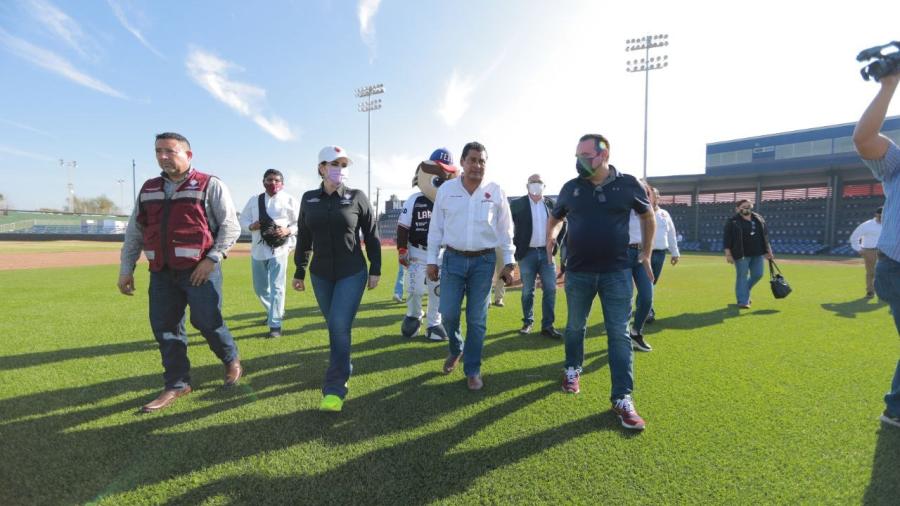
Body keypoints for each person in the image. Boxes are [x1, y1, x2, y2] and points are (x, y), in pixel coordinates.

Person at [118, 132, 242, 413]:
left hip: (201, 270)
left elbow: (230, 227)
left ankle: (230, 358)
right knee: (166, 329)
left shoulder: (210, 184)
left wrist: (212, 259)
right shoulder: (148, 189)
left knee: (207, 322)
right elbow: (135, 233)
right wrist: (127, 269)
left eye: (170, 151)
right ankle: (177, 383)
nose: (163, 157)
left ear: (188, 154)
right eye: (158, 151)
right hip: (161, 273)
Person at [547, 133, 655, 430]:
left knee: (619, 335)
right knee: (575, 326)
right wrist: (550, 237)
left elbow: (648, 216)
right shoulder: (571, 188)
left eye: (586, 155)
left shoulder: (628, 184)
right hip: (579, 272)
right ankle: (572, 369)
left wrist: (646, 253)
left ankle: (622, 398)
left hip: (617, 273)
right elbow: (555, 218)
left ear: (604, 155)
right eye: (577, 155)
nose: (579, 161)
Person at [292, 145, 381, 413]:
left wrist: (375, 267)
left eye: (343, 165)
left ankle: (335, 387)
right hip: (320, 274)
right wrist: (299, 270)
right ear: (321, 168)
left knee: (339, 325)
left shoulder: (357, 197)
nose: (340, 169)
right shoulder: (308, 199)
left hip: (352, 272)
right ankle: (344, 365)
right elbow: (304, 237)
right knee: (334, 326)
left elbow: (372, 233)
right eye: (334, 164)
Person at [427, 141, 515, 391]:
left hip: (484, 262)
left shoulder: (496, 191)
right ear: (463, 163)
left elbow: (506, 230)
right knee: (450, 313)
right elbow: (436, 229)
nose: (477, 165)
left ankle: (473, 369)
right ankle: (457, 348)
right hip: (453, 260)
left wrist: (509, 262)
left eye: (482, 161)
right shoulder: (446, 190)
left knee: (477, 319)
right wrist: (432, 261)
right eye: (472, 160)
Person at [852, 71, 900, 428]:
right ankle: (895, 409)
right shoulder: (897, 163)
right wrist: (889, 85)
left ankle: (895, 409)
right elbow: (865, 138)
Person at [397, 147, 458, 341]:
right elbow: (403, 227)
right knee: (414, 289)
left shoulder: (450, 201)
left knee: (437, 290)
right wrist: (402, 249)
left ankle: (434, 322)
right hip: (417, 252)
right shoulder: (415, 200)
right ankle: (414, 315)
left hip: (441, 253)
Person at [239, 169, 300, 338]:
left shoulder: (289, 200)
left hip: (280, 249)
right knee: (260, 289)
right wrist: (252, 226)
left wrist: (287, 230)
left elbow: (300, 222)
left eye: (276, 180)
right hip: (258, 250)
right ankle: (275, 311)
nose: (273, 183)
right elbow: (242, 220)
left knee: (277, 287)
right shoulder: (254, 200)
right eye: (269, 180)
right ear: (263, 182)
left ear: (282, 183)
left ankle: (275, 325)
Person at [510, 173, 563, 338]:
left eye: (539, 182)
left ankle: (548, 325)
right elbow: (507, 225)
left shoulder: (551, 204)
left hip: (546, 254)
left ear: (544, 186)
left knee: (550, 289)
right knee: (527, 291)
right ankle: (528, 321)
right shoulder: (518, 204)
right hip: (527, 254)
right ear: (527, 186)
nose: (536, 185)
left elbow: (562, 222)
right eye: (533, 182)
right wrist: (513, 248)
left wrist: (555, 244)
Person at [723, 199, 773, 309]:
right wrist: (728, 254)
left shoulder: (759, 219)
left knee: (758, 274)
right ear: (737, 209)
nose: (747, 208)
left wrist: (768, 250)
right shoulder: (732, 221)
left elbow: (765, 236)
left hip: (758, 253)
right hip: (741, 254)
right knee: (742, 276)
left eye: (749, 206)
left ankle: (744, 290)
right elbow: (727, 238)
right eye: (744, 206)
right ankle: (743, 301)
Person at [624, 182, 656, 352]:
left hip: (642, 254)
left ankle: (636, 332)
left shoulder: (648, 210)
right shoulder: (622, 207)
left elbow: (651, 233)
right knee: (626, 299)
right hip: (622, 254)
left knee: (647, 297)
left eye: (645, 191)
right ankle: (622, 335)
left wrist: (647, 256)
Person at [646, 187, 680, 323]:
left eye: (653, 196)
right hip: (644, 253)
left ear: (658, 198)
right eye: (648, 195)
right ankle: (648, 310)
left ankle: (644, 305)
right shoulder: (639, 212)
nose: (650, 198)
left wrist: (675, 252)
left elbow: (671, 233)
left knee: (652, 283)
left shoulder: (664, 214)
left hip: (660, 253)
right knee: (646, 282)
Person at [849, 207, 883, 299]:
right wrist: (859, 249)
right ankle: (870, 291)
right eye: (880, 215)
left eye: (884, 215)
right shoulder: (867, 225)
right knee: (871, 273)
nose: (882, 217)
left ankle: (884, 292)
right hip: (870, 251)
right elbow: (854, 237)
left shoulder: (889, 225)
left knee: (885, 272)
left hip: (885, 251)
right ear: (876, 214)